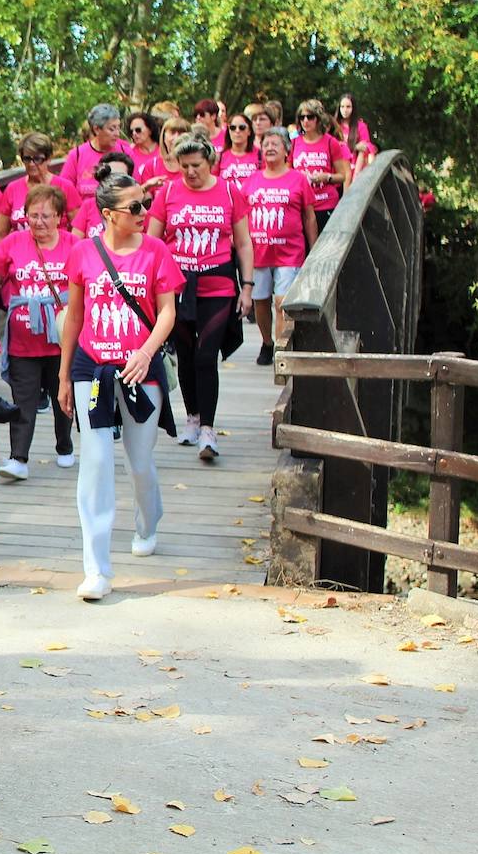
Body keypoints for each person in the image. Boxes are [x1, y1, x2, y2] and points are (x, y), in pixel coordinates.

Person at [57, 172, 182, 601]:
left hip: (140, 371)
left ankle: (149, 519)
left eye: (146, 204)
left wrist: (147, 352)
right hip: (93, 369)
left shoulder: (156, 252)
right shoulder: (82, 254)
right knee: (94, 463)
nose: (145, 213)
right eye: (135, 207)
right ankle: (97, 569)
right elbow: (74, 317)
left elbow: (167, 313)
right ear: (108, 214)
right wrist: (64, 375)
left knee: (138, 461)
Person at [146, 133, 254, 461]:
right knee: (187, 352)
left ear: (210, 162)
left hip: (218, 283)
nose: (190, 172)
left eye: (196, 165)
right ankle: (192, 417)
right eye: (184, 167)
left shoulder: (229, 192)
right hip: (177, 286)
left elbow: (244, 242)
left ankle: (208, 429)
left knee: (207, 356)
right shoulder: (168, 193)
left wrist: (247, 286)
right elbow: (152, 241)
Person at [0, 184, 77, 479]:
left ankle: (64, 445)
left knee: (62, 395)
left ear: (60, 217)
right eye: (32, 215)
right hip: (22, 341)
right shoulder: (14, 242)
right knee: (22, 400)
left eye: (46, 216)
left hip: (60, 340)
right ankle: (18, 458)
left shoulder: (74, 245)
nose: (38, 222)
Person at [242, 127, 318, 364]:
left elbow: (309, 216)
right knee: (261, 300)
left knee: (281, 302)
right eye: (266, 144)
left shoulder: (298, 179)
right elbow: (242, 215)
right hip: (259, 252)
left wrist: (315, 249)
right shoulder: (252, 181)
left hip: (290, 252)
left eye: (275, 143)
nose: (270, 148)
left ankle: (281, 350)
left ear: (287, 149)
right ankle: (267, 343)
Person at [0, 132, 81, 242]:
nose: (31, 164)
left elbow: (78, 229)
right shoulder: (12, 188)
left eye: (37, 159)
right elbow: (0, 232)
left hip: (57, 254)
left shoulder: (65, 187)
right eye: (27, 159)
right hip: (20, 253)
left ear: (49, 159)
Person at [291, 99, 352, 232]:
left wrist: (326, 177)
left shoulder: (331, 142)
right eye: (302, 117)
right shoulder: (294, 143)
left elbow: (342, 176)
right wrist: (299, 176)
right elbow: (287, 172)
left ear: (318, 119)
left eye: (310, 117)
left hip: (325, 204)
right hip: (301, 205)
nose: (305, 121)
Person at [58, 103, 133, 202]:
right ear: (96, 129)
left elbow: (135, 188)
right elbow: (63, 190)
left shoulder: (125, 152)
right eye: (112, 129)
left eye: (118, 128)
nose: (117, 134)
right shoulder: (77, 155)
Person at [72, 151, 136, 239]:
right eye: (110, 176)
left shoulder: (136, 208)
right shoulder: (89, 205)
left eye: (120, 177)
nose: (114, 181)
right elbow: (75, 241)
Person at [336, 94, 375, 178]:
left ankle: (356, 179)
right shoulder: (335, 125)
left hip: (356, 167)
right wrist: (354, 146)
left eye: (348, 107)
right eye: (342, 107)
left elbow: (366, 147)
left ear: (353, 108)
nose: (345, 110)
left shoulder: (361, 126)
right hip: (339, 167)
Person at [218, 112, 260, 189]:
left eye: (242, 127)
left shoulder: (260, 155)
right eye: (233, 128)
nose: (237, 131)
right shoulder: (220, 156)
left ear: (249, 131)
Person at [126, 112, 162, 182]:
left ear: (150, 130)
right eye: (131, 131)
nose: (134, 133)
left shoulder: (164, 149)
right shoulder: (128, 153)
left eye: (138, 130)